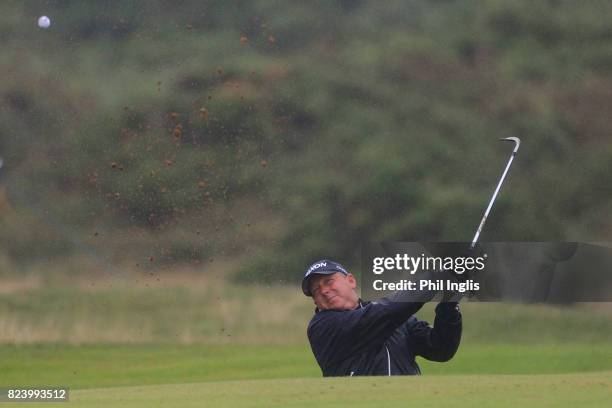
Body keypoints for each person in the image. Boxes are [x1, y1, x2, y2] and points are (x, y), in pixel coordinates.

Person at [303, 259, 461, 376]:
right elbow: (390, 310)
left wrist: (450, 303)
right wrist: (439, 276)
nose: (324, 290)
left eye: (329, 281)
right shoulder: (323, 326)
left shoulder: (395, 319)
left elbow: (441, 348)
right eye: (316, 290)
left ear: (350, 280)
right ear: (315, 301)